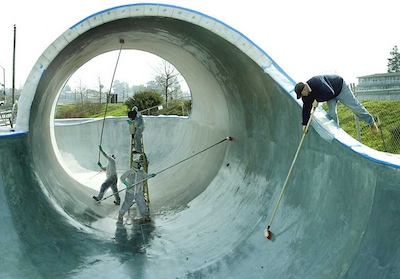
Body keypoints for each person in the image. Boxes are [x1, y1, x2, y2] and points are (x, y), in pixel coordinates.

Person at [294, 75, 379, 134]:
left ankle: (371, 122)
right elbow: (306, 109)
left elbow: (330, 92)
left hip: (340, 88)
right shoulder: (306, 96)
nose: (302, 96)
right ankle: (337, 132)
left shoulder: (316, 81)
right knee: (332, 113)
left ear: (305, 88)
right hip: (330, 95)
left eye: (302, 94)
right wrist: (304, 124)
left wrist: (318, 100)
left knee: (355, 107)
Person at [118, 157, 151, 223]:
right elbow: (122, 178)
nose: (140, 165)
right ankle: (120, 214)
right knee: (127, 203)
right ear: (136, 164)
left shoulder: (141, 172)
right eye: (139, 164)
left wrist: (150, 175)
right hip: (130, 192)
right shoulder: (130, 171)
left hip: (138, 191)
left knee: (142, 203)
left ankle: (146, 215)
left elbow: (145, 176)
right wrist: (127, 184)